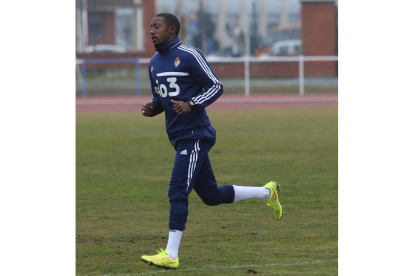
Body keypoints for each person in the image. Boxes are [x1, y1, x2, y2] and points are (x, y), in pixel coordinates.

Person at [141, 13, 283, 269]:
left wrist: (192, 103)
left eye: (156, 27)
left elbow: (216, 86)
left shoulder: (189, 55)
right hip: (179, 137)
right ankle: (267, 192)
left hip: (195, 135)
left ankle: (171, 255)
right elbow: (161, 97)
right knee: (211, 195)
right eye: (150, 27)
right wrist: (154, 108)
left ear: (171, 30)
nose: (151, 31)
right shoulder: (153, 63)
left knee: (177, 189)